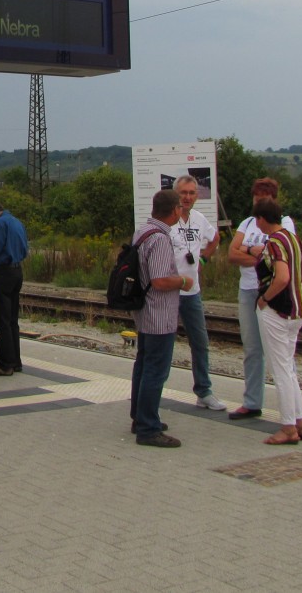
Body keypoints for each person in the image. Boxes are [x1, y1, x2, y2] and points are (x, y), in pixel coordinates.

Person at [251, 197, 302, 444]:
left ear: (261, 219)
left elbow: (281, 277)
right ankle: (301, 421)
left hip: (277, 312)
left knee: (280, 370)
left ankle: (288, 427)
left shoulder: (274, 243)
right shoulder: (293, 239)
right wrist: (297, 288)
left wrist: (265, 299)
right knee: (289, 367)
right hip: (297, 310)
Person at [227, 177, 296, 421]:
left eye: (263, 202)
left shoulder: (285, 223)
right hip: (248, 290)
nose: (258, 207)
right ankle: (252, 401)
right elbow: (231, 254)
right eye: (256, 201)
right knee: (252, 348)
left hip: (273, 294)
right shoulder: (248, 223)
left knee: (280, 352)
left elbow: (280, 257)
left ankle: (292, 410)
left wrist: (252, 253)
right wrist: (256, 254)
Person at [129, 189, 191, 447]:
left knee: (143, 366)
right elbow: (160, 279)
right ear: (175, 210)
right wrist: (184, 281)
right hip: (159, 313)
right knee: (156, 370)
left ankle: (140, 416)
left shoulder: (142, 232)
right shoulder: (161, 239)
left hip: (144, 311)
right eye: (180, 207)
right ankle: (148, 428)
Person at [170, 175, 225, 411]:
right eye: (183, 193)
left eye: (192, 193)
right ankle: (148, 389)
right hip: (168, 292)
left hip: (192, 292)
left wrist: (203, 257)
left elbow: (215, 238)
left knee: (200, 342)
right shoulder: (168, 221)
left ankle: (204, 391)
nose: (188, 197)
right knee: (159, 345)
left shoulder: (199, 219)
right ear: (176, 194)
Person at [0, 197, 29, 376]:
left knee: (2, 320)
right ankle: (16, 361)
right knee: (12, 319)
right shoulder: (17, 222)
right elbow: (25, 248)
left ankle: (5, 364)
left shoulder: (0, 224)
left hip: (3, 272)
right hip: (17, 271)